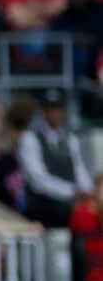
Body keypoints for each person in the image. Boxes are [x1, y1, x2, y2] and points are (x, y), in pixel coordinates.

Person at [19, 90, 92, 228]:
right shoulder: (30, 138)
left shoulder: (70, 139)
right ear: (43, 111)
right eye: (50, 108)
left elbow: (79, 168)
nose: (55, 113)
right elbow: (38, 180)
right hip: (42, 206)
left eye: (58, 108)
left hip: (66, 204)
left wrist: (88, 191)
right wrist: (71, 191)